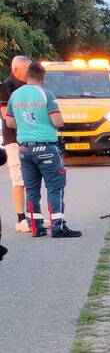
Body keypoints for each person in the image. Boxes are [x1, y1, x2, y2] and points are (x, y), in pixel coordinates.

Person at [4, 61, 82, 238]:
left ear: (27, 76)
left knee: (32, 189)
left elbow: (9, 122)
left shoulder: (15, 95)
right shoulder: (46, 94)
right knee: (55, 188)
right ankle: (58, 227)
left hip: (24, 149)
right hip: (46, 147)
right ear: (42, 76)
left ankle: (36, 227)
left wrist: (25, 125)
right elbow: (57, 122)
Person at [0, 56, 30, 232]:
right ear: (16, 70)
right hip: (14, 140)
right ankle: (21, 218)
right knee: (18, 179)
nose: (29, 73)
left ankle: (34, 215)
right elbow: (6, 116)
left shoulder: (30, 87)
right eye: (27, 70)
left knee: (31, 179)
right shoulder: (5, 88)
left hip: (30, 138)